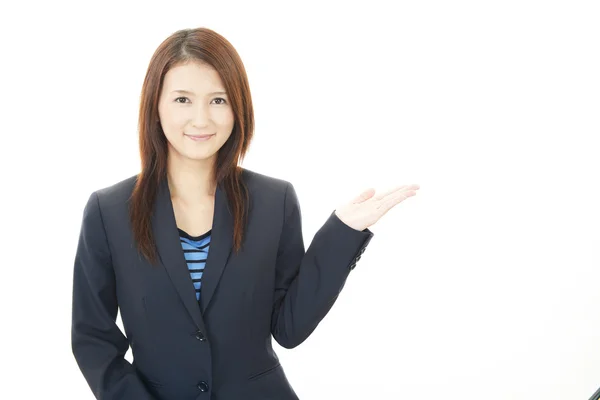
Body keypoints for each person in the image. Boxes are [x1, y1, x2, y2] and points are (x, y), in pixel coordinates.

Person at [71, 27, 419, 400]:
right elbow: (93, 339)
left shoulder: (274, 201)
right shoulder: (109, 212)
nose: (201, 119)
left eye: (218, 100)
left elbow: (289, 329)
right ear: (155, 105)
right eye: (183, 100)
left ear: (238, 107)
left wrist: (342, 233)